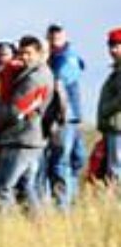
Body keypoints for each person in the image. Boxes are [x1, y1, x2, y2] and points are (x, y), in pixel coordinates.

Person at [0, 35, 54, 213]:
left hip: (23, 138)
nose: (24, 57)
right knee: (25, 187)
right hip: (23, 137)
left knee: (2, 186)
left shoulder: (36, 78)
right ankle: (37, 229)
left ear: (40, 53)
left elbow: (16, 110)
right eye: (21, 53)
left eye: (28, 53)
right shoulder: (30, 73)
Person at [45, 24, 88, 209]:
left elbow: (61, 79)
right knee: (65, 160)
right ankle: (63, 203)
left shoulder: (67, 58)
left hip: (68, 117)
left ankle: (66, 202)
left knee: (71, 160)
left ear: (64, 37)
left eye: (57, 38)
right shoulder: (52, 58)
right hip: (64, 117)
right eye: (52, 38)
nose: (54, 41)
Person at [97, 27, 121, 186]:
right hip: (113, 126)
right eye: (111, 46)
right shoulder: (116, 70)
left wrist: (105, 110)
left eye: (117, 45)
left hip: (118, 127)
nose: (112, 50)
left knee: (117, 169)